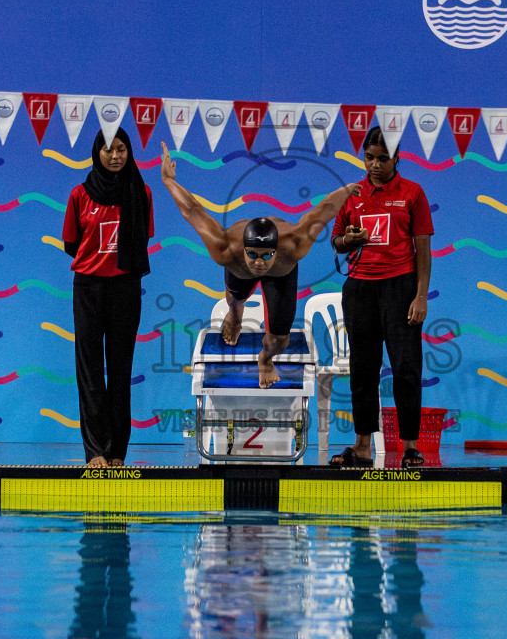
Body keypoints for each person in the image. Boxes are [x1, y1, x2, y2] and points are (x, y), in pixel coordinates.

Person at [160, 142, 358, 387]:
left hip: (282, 273)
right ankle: (235, 315)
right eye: (252, 254)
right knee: (234, 299)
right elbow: (193, 211)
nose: (258, 262)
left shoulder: (294, 245)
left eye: (266, 256)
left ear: (277, 251)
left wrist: (347, 191)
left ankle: (265, 360)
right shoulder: (225, 249)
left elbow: (323, 211)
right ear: (243, 249)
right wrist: (169, 180)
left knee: (279, 341)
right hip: (236, 268)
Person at [327, 127, 433, 468]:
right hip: (360, 289)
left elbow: (423, 251)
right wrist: (351, 241)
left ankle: (410, 447)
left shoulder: (413, 193)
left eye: (382, 159)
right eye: (369, 158)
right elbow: (336, 240)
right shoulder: (352, 194)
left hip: (400, 287)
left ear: (396, 158)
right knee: (363, 369)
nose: (374, 165)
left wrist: (420, 296)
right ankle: (361, 446)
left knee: (405, 367)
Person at [63, 128, 153, 468]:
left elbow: (143, 236)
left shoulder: (141, 192)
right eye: (108, 149)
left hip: (125, 288)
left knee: (119, 370)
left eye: (121, 149)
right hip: (88, 287)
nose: (115, 156)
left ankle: (117, 452)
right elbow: (71, 243)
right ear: (96, 152)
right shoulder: (79, 195)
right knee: (89, 369)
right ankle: (95, 451)